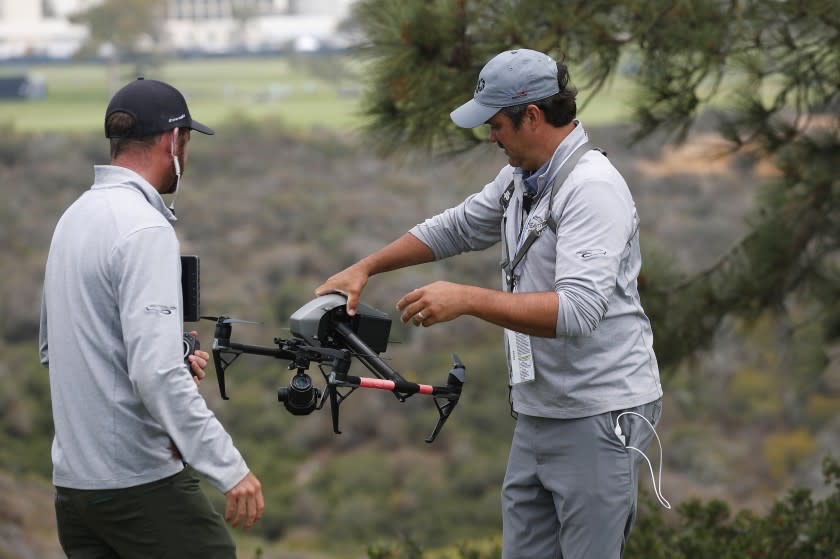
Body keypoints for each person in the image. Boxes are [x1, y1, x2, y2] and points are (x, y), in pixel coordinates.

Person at [316, 49, 665, 558]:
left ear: (533, 117)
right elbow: (456, 227)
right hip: (539, 409)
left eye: (497, 124)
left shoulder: (592, 189)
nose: (490, 136)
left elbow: (578, 312)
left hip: (598, 413)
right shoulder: (520, 179)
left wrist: (468, 299)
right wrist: (366, 267)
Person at [39, 77, 264, 558]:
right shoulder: (146, 228)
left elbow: (54, 350)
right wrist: (230, 469)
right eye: (187, 142)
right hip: (138, 484)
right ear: (173, 141)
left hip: (74, 490)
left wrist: (169, 359)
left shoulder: (73, 218)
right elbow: (155, 373)